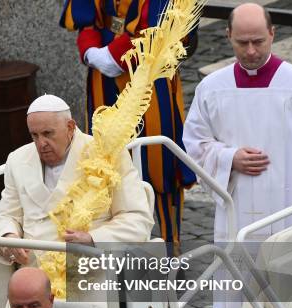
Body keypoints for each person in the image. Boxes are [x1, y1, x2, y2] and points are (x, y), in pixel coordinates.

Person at [182, 3, 292, 308]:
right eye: (242, 43)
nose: (252, 50)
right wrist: (229, 159)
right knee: (237, 303)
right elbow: (193, 145)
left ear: (273, 34)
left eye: (259, 40)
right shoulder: (212, 88)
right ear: (228, 37)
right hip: (236, 214)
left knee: (290, 307)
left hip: (287, 216)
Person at [0, 94, 153, 308]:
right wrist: (9, 236)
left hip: (90, 271)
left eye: (48, 134)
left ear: (70, 127)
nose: (41, 144)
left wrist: (93, 239)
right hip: (33, 273)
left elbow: (137, 218)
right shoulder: (17, 160)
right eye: (34, 135)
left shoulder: (106, 153)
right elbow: (7, 216)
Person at [59, 0, 197, 250]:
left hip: (151, 72)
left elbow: (160, 25)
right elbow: (88, 18)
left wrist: (115, 54)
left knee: (160, 163)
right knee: (104, 162)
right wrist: (92, 51)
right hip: (103, 75)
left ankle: (169, 246)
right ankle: (112, 244)